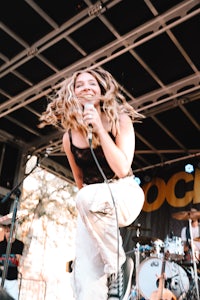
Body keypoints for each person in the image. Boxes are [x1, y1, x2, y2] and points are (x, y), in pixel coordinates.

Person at [39, 67, 145, 299]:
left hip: (124, 192)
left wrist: (98, 126)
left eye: (92, 83)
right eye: (80, 85)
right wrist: (92, 218)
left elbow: (122, 168)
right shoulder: (69, 137)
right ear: (73, 93)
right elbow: (80, 181)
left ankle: (119, 265)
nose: (86, 87)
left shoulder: (121, 120)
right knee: (84, 281)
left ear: (101, 91)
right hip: (93, 203)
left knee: (86, 197)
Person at [0, 224, 24, 300]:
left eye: (10, 231)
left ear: (14, 232)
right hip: (0, 276)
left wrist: (4, 260)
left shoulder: (19, 244)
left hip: (12, 277)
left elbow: (16, 262)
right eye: (6, 231)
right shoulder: (1, 245)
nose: (8, 234)